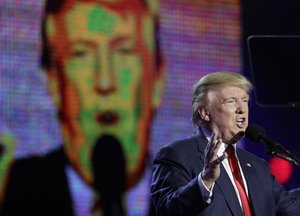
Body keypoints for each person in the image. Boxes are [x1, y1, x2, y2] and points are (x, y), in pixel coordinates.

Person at [1, 0, 165, 215]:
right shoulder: (13, 190)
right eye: (81, 54)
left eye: (124, 51)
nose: (105, 81)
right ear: (53, 80)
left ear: (157, 79)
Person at [151, 71, 300, 215]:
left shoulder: (258, 166)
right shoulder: (177, 154)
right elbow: (167, 209)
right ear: (204, 112)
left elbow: (289, 207)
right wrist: (206, 180)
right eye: (231, 101)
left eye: (245, 101)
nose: (242, 109)